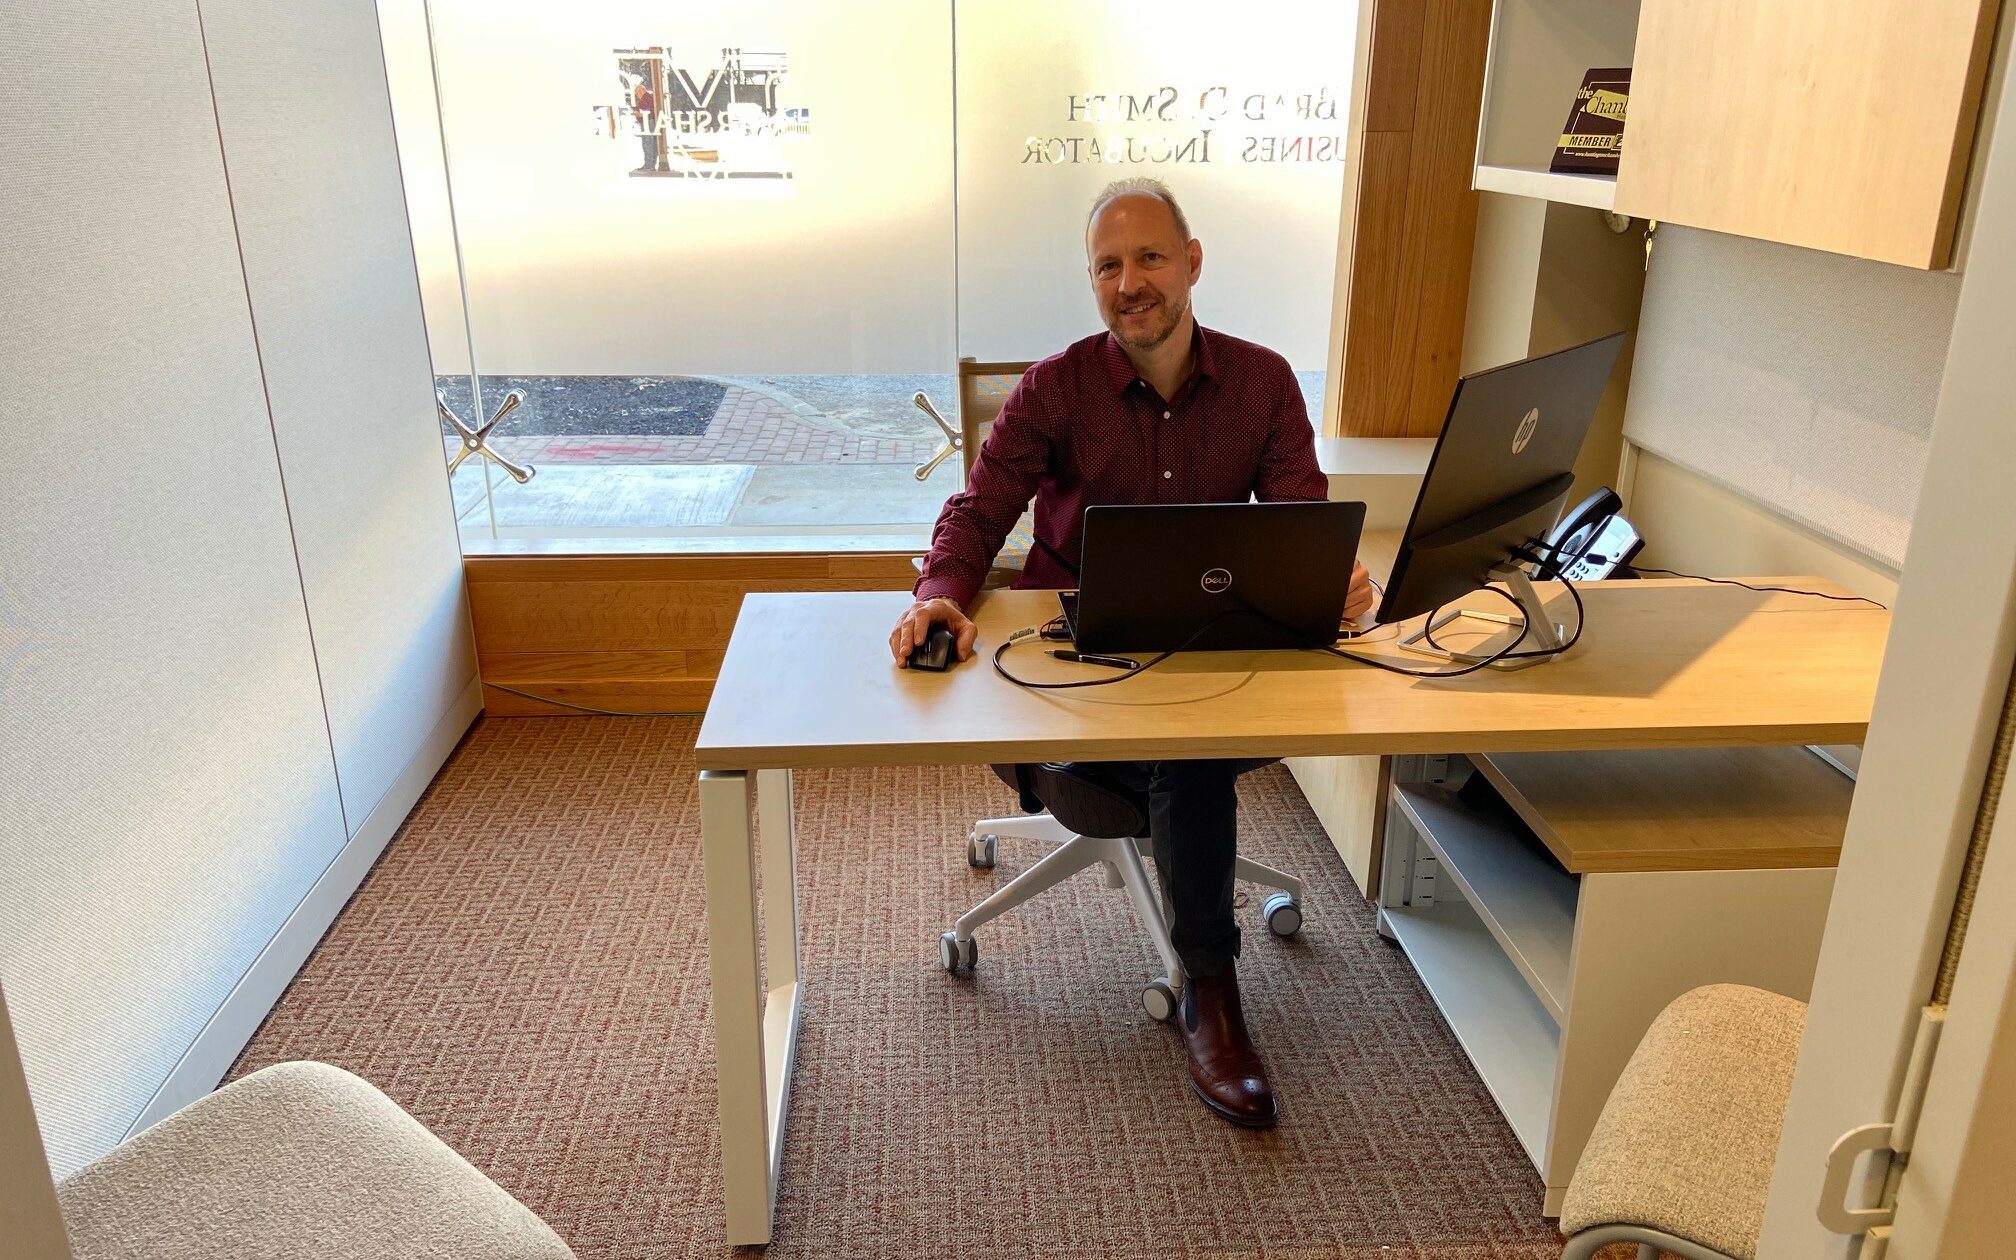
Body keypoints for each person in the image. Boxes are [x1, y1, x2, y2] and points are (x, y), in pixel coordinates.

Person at [888, 177, 1374, 1128]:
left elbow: (1301, 525)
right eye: (1108, 265)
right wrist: (941, 595)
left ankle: (1207, 984)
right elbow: (981, 509)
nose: (1130, 282)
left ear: (1192, 263)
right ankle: (1212, 992)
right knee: (1186, 755)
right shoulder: (1058, 386)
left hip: (1212, 662)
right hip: (1070, 676)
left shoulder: (1263, 383)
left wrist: (1334, 579)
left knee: (1189, 736)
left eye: (1150, 256)